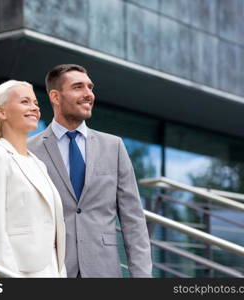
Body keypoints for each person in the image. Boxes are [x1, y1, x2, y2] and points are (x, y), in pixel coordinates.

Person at [28, 64, 152, 277]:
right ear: (56, 97)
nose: (89, 95)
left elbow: (133, 220)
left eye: (90, 87)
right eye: (78, 87)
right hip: (51, 271)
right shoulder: (29, 150)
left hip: (103, 271)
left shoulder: (114, 147)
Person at [0, 80, 66, 277]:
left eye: (36, 103)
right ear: (2, 112)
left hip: (51, 270)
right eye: (25, 101)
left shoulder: (38, 164)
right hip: (20, 272)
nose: (34, 107)